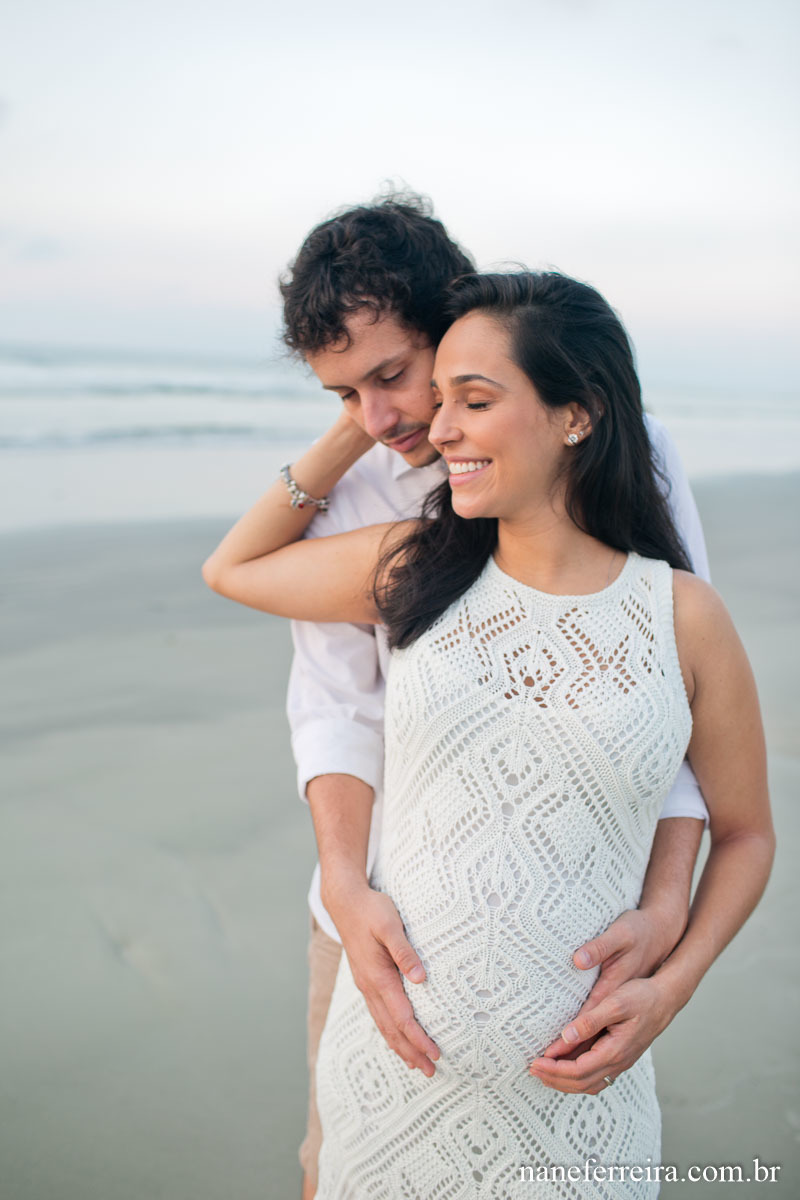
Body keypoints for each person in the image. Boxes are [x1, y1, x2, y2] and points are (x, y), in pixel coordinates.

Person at [203, 270, 774, 1197]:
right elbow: (236, 567)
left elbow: (743, 830)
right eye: (438, 403)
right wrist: (362, 415)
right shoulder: (410, 562)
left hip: (579, 1096)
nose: (434, 428)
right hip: (393, 1073)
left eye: (468, 399)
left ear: (576, 416)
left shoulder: (682, 614)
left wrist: (670, 985)